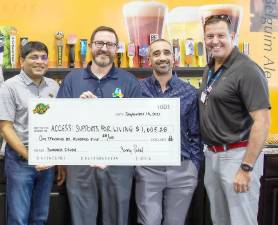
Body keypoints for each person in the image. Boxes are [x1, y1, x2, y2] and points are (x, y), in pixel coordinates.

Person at [57, 26, 142, 225]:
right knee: (81, 219)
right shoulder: (72, 79)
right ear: (91, 46)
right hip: (80, 163)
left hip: (118, 163)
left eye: (109, 44)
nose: (104, 48)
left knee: (117, 218)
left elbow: (138, 124)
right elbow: (59, 121)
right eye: (99, 43)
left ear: (116, 49)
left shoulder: (129, 82)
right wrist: (80, 109)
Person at [199, 15, 271, 225]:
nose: (215, 40)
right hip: (212, 156)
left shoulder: (247, 70)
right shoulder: (210, 68)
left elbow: (262, 122)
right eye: (210, 36)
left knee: (242, 221)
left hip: (237, 157)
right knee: (219, 220)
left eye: (221, 35)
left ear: (232, 36)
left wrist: (246, 168)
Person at [135, 39, 203, 225]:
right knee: (149, 222)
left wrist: (194, 167)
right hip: (148, 168)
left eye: (166, 53)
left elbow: (196, 134)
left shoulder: (189, 92)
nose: (162, 57)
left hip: (182, 169)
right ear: (149, 60)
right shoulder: (137, 90)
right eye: (156, 54)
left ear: (174, 58)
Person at [0, 41, 65, 225]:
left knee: (40, 217)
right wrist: (30, 156)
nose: (40, 61)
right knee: (18, 218)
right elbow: (5, 127)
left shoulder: (53, 86)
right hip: (20, 160)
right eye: (33, 57)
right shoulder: (9, 87)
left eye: (43, 57)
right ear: (22, 61)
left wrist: (59, 161)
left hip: (47, 160)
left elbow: (58, 125)